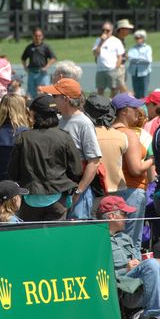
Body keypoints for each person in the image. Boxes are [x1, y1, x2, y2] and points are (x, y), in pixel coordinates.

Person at [8, 94, 82, 221]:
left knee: (32, 239)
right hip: (58, 198)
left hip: (29, 199)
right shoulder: (64, 137)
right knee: (55, 239)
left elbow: (13, 172)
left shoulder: (23, 138)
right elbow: (76, 170)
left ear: (34, 115)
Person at [40, 78, 102, 220]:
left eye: (55, 96)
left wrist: (79, 191)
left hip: (77, 192)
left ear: (66, 99)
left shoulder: (84, 123)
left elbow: (94, 161)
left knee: (78, 235)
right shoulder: (58, 120)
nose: (52, 99)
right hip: (60, 190)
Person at [112, 93, 155, 257]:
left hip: (115, 190)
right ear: (123, 111)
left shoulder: (110, 131)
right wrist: (152, 159)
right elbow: (136, 169)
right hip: (133, 190)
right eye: (134, 108)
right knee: (132, 242)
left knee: (120, 240)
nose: (138, 111)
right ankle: (132, 279)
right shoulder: (129, 134)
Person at [93, 20, 132, 96]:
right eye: (103, 30)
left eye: (107, 30)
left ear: (111, 31)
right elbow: (95, 53)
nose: (105, 32)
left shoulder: (116, 41)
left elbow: (120, 56)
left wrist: (116, 68)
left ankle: (112, 106)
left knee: (114, 89)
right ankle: (100, 106)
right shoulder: (98, 40)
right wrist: (101, 42)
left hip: (112, 69)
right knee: (100, 90)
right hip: (100, 70)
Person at [21, 27, 57, 99]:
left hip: (42, 73)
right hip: (31, 72)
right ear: (33, 36)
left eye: (39, 36)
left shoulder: (45, 47)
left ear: (42, 36)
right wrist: (25, 68)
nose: (37, 37)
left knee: (44, 91)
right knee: (31, 92)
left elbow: (53, 58)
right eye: (36, 35)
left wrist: (46, 67)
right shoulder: (29, 47)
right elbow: (23, 58)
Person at [127, 29, 153, 98]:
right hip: (134, 72)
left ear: (144, 38)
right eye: (136, 38)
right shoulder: (132, 48)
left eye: (140, 38)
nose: (138, 39)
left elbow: (148, 60)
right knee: (136, 91)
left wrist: (136, 60)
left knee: (144, 92)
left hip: (144, 72)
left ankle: (144, 107)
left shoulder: (147, 48)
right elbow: (130, 58)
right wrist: (141, 59)